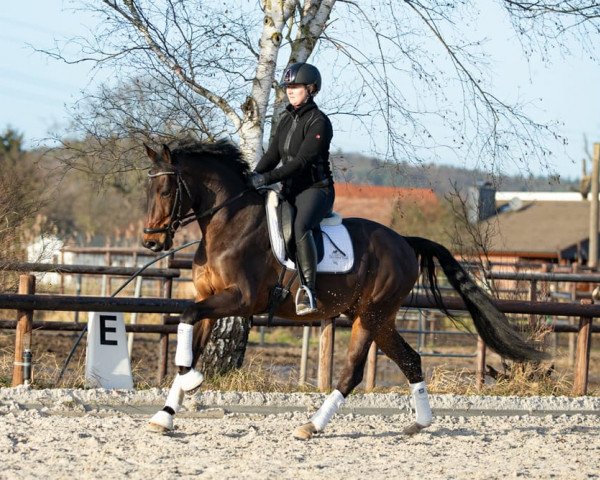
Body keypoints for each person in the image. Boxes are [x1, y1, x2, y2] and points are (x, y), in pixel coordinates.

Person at [248, 62, 334, 315]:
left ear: (311, 89)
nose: (290, 91)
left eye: (296, 86)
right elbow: (273, 154)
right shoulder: (286, 119)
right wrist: (253, 176)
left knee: (300, 227)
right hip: (289, 189)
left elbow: (301, 162)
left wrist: (266, 179)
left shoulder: (319, 122)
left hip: (316, 190)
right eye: (288, 86)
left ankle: (308, 291)